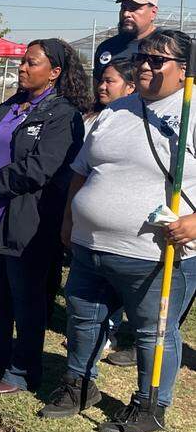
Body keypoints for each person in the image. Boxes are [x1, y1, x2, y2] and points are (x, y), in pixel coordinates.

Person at [42, 30, 195, 432]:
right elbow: (81, 170)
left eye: (157, 60)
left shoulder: (192, 111)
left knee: (153, 332)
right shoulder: (114, 111)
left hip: (155, 253)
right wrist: (70, 220)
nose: (146, 64)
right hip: (91, 246)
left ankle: (151, 405)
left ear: (184, 71)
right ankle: (79, 385)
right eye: (143, 57)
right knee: (83, 319)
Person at [0, 39, 89, 395]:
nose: (23, 68)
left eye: (32, 63)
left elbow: (42, 167)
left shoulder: (63, 115)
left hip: (30, 222)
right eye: (22, 62)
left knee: (26, 299)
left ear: (55, 73)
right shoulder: (4, 109)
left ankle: (21, 370)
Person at [82, 58, 137, 365]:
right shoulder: (94, 116)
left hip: (120, 227)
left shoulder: (132, 121)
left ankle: (109, 332)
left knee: (115, 284)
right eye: (101, 80)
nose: (102, 86)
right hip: (86, 219)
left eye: (110, 81)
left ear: (130, 87)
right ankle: (92, 333)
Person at [92, 0, 158, 80]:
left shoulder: (167, 47)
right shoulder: (107, 47)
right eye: (123, 8)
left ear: (153, 12)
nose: (126, 14)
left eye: (134, 8)